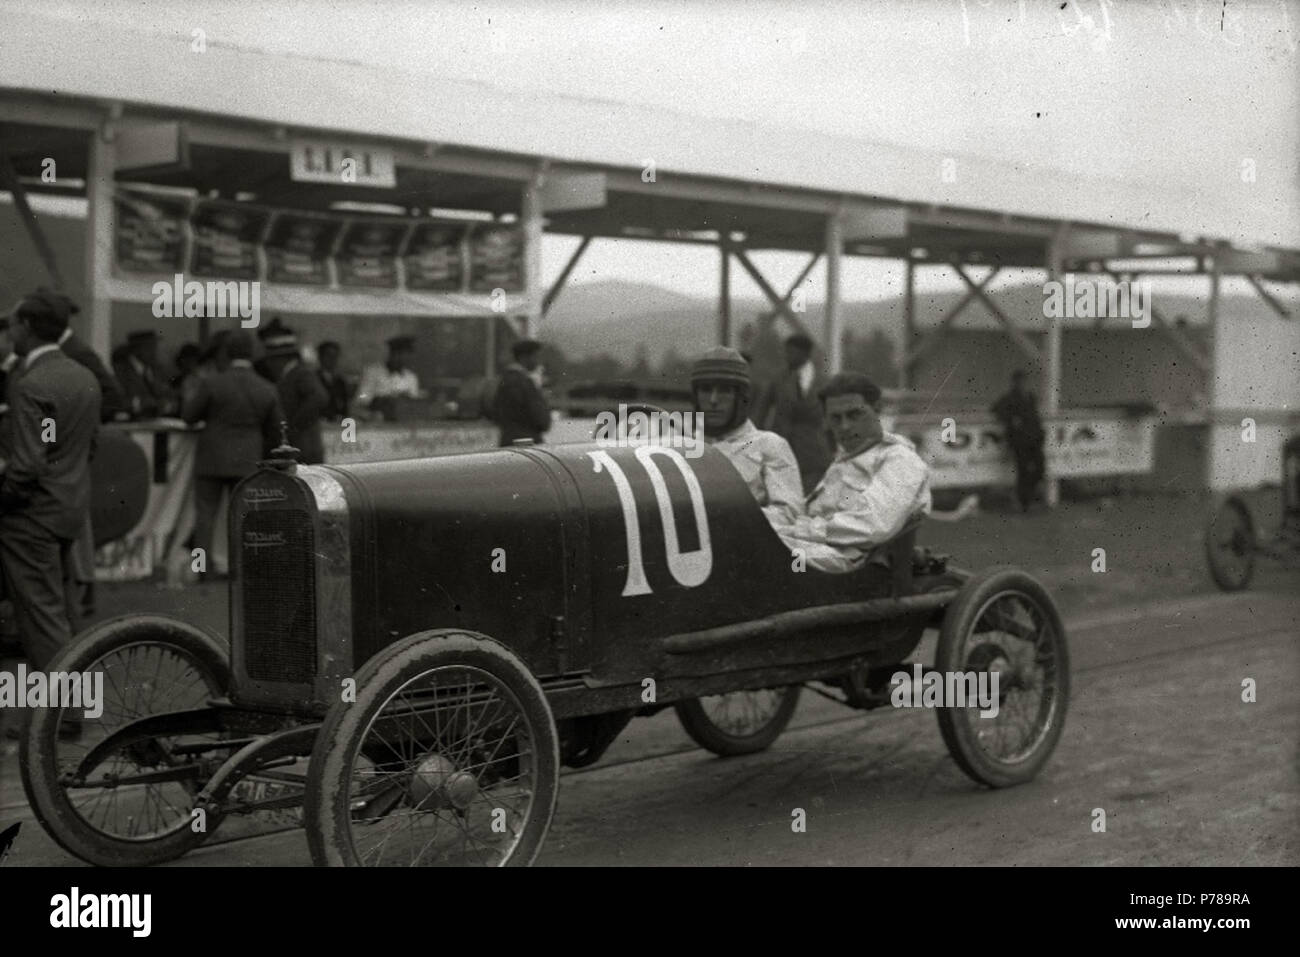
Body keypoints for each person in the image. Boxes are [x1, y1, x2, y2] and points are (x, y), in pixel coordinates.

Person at [0, 290, 101, 677]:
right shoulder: (82, 376)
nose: (9, 334)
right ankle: (71, 708)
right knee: (61, 612)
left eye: (11, 326)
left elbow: (28, 464)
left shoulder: (31, 385)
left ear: (26, 327)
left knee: (42, 620)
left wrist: (6, 498)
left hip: (32, 517)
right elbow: (84, 446)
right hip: (67, 508)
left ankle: (63, 713)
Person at [772, 372, 931, 574]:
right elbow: (809, 512)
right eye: (835, 418)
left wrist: (799, 530)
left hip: (847, 565)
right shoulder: (847, 459)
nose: (844, 427)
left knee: (757, 551)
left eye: (854, 415)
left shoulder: (901, 460)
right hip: (817, 552)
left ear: (877, 410)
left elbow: (873, 526)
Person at [181, 332, 284, 578]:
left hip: (212, 457)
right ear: (252, 353)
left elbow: (189, 417)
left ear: (227, 353)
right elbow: (277, 428)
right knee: (243, 515)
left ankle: (202, 569)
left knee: (205, 515)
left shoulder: (212, 383)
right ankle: (240, 569)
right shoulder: (266, 388)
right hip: (247, 458)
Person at [691, 346, 803, 525]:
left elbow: (789, 515)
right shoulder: (682, 445)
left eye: (724, 391)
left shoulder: (769, 445)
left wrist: (728, 518)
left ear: (741, 397)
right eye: (705, 390)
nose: (713, 400)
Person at [752, 332, 833, 493]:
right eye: (786, 351)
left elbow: (833, 417)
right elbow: (760, 413)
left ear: (804, 354)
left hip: (814, 454)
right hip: (782, 450)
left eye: (791, 352)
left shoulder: (823, 382)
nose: (787, 356)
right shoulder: (777, 380)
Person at [260, 326, 328, 465]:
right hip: (298, 449)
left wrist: (294, 427)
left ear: (280, 359)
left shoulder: (300, 374)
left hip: (303, 450)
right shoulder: (289, 376)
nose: (268, 365)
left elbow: (319, 397)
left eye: (270, 360)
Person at [991, 369, 1047, 512]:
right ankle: (1025, 502)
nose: (1023, 384)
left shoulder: (1031, 397)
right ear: (1015, 383)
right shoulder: (1009, 398)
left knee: (1040, 468)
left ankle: (1027, 496)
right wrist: (1012, 420)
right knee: (1023, 471)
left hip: (1034, 438)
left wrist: (1040, 434)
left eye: (1024, 381)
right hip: (1019, 440)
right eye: (1020, 382)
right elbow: (996, 409)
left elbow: (1036, 417)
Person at [493, 338, 551, 446]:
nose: (539, 361)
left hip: (510, 439)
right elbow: (539, 417)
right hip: (525, 441)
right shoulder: (523, 382)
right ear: (524, 357)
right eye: (536, 356)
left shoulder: (507, 379)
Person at [112, 329, 175, 419]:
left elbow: (169, 396)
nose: (154, 352)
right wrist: (140, 403)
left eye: (155, 347)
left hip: (158, 424)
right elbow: (115, 401)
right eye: (150, 347)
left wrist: (167, 405)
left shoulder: (157, 370)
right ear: (137, 349)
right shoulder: (120, 371)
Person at [357, 334, 420, 420]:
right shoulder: (372, 372)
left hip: (402, 423)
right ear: (392, 353)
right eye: (398, 354)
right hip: (376, 422)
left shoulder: (411, 378)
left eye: (406, 354)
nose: (401, 358)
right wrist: (380, 400)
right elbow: (362, 398)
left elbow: (413, 404)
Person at [316, 340, 351, 421]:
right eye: (328, 356)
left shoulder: (340, 382)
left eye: (335, 356)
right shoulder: (314, 379)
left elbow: (344, 407)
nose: (332, 360)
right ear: (320, 357)